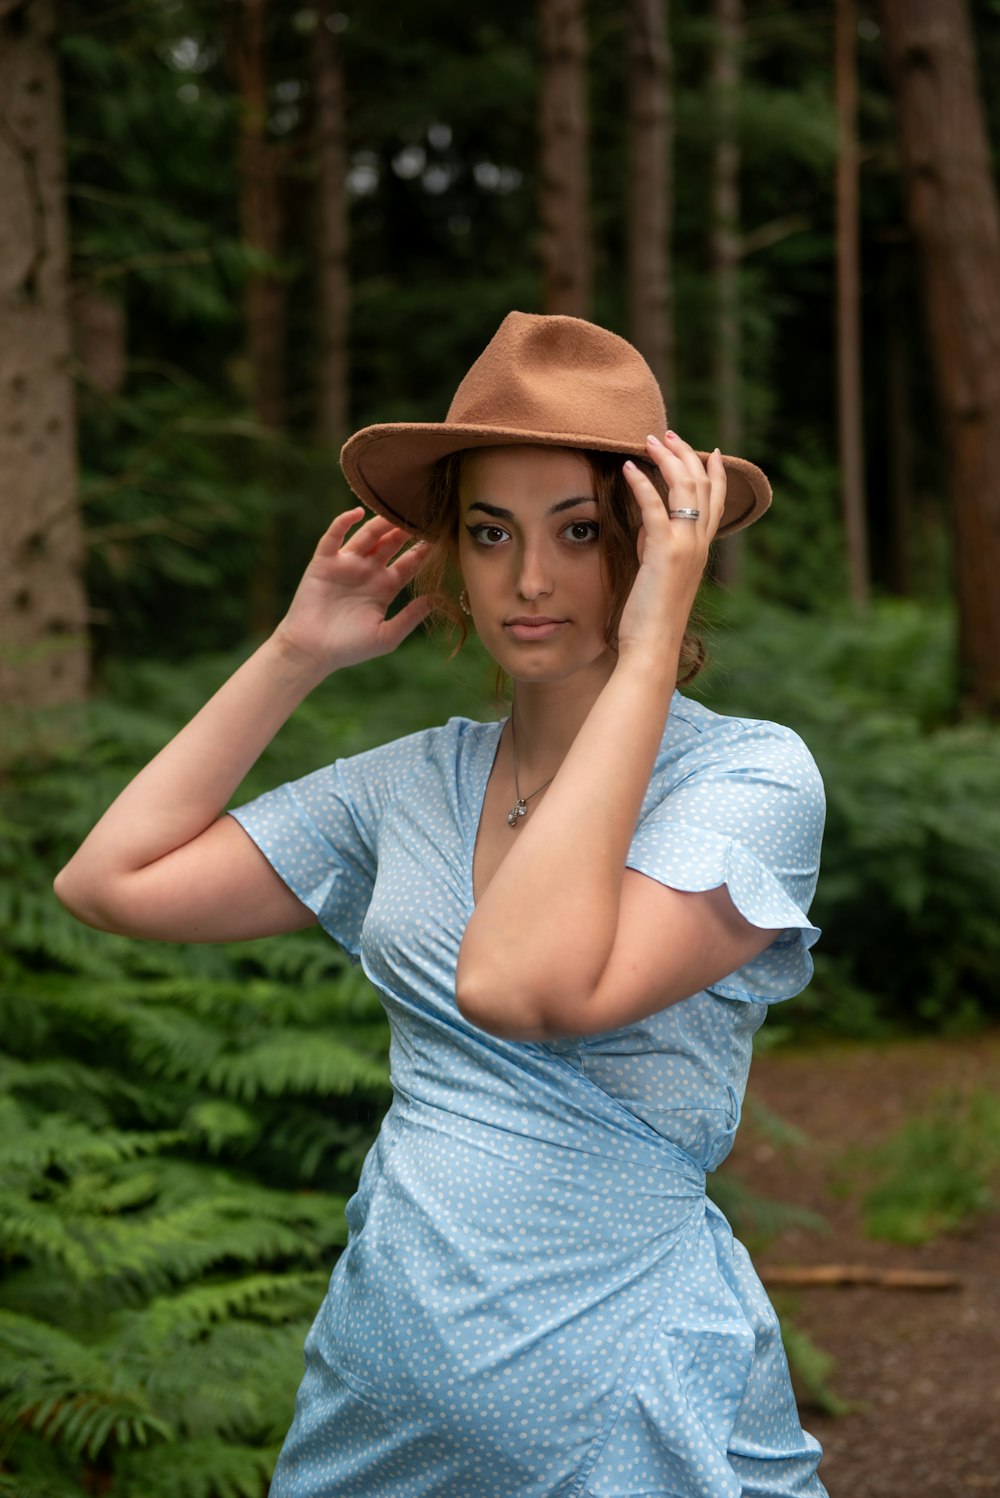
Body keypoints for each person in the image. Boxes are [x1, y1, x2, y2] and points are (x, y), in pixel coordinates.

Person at [55, 312, 828, 1497]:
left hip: (622, 1395)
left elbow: (522, 984)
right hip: (381, 1390)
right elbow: (111, 883)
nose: (529, 577)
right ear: (449, 557)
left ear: (651, 544)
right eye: (489, 532)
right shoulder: (413, 780)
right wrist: (294, 654)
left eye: (580, 531)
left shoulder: (748, 780)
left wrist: (646, 651)